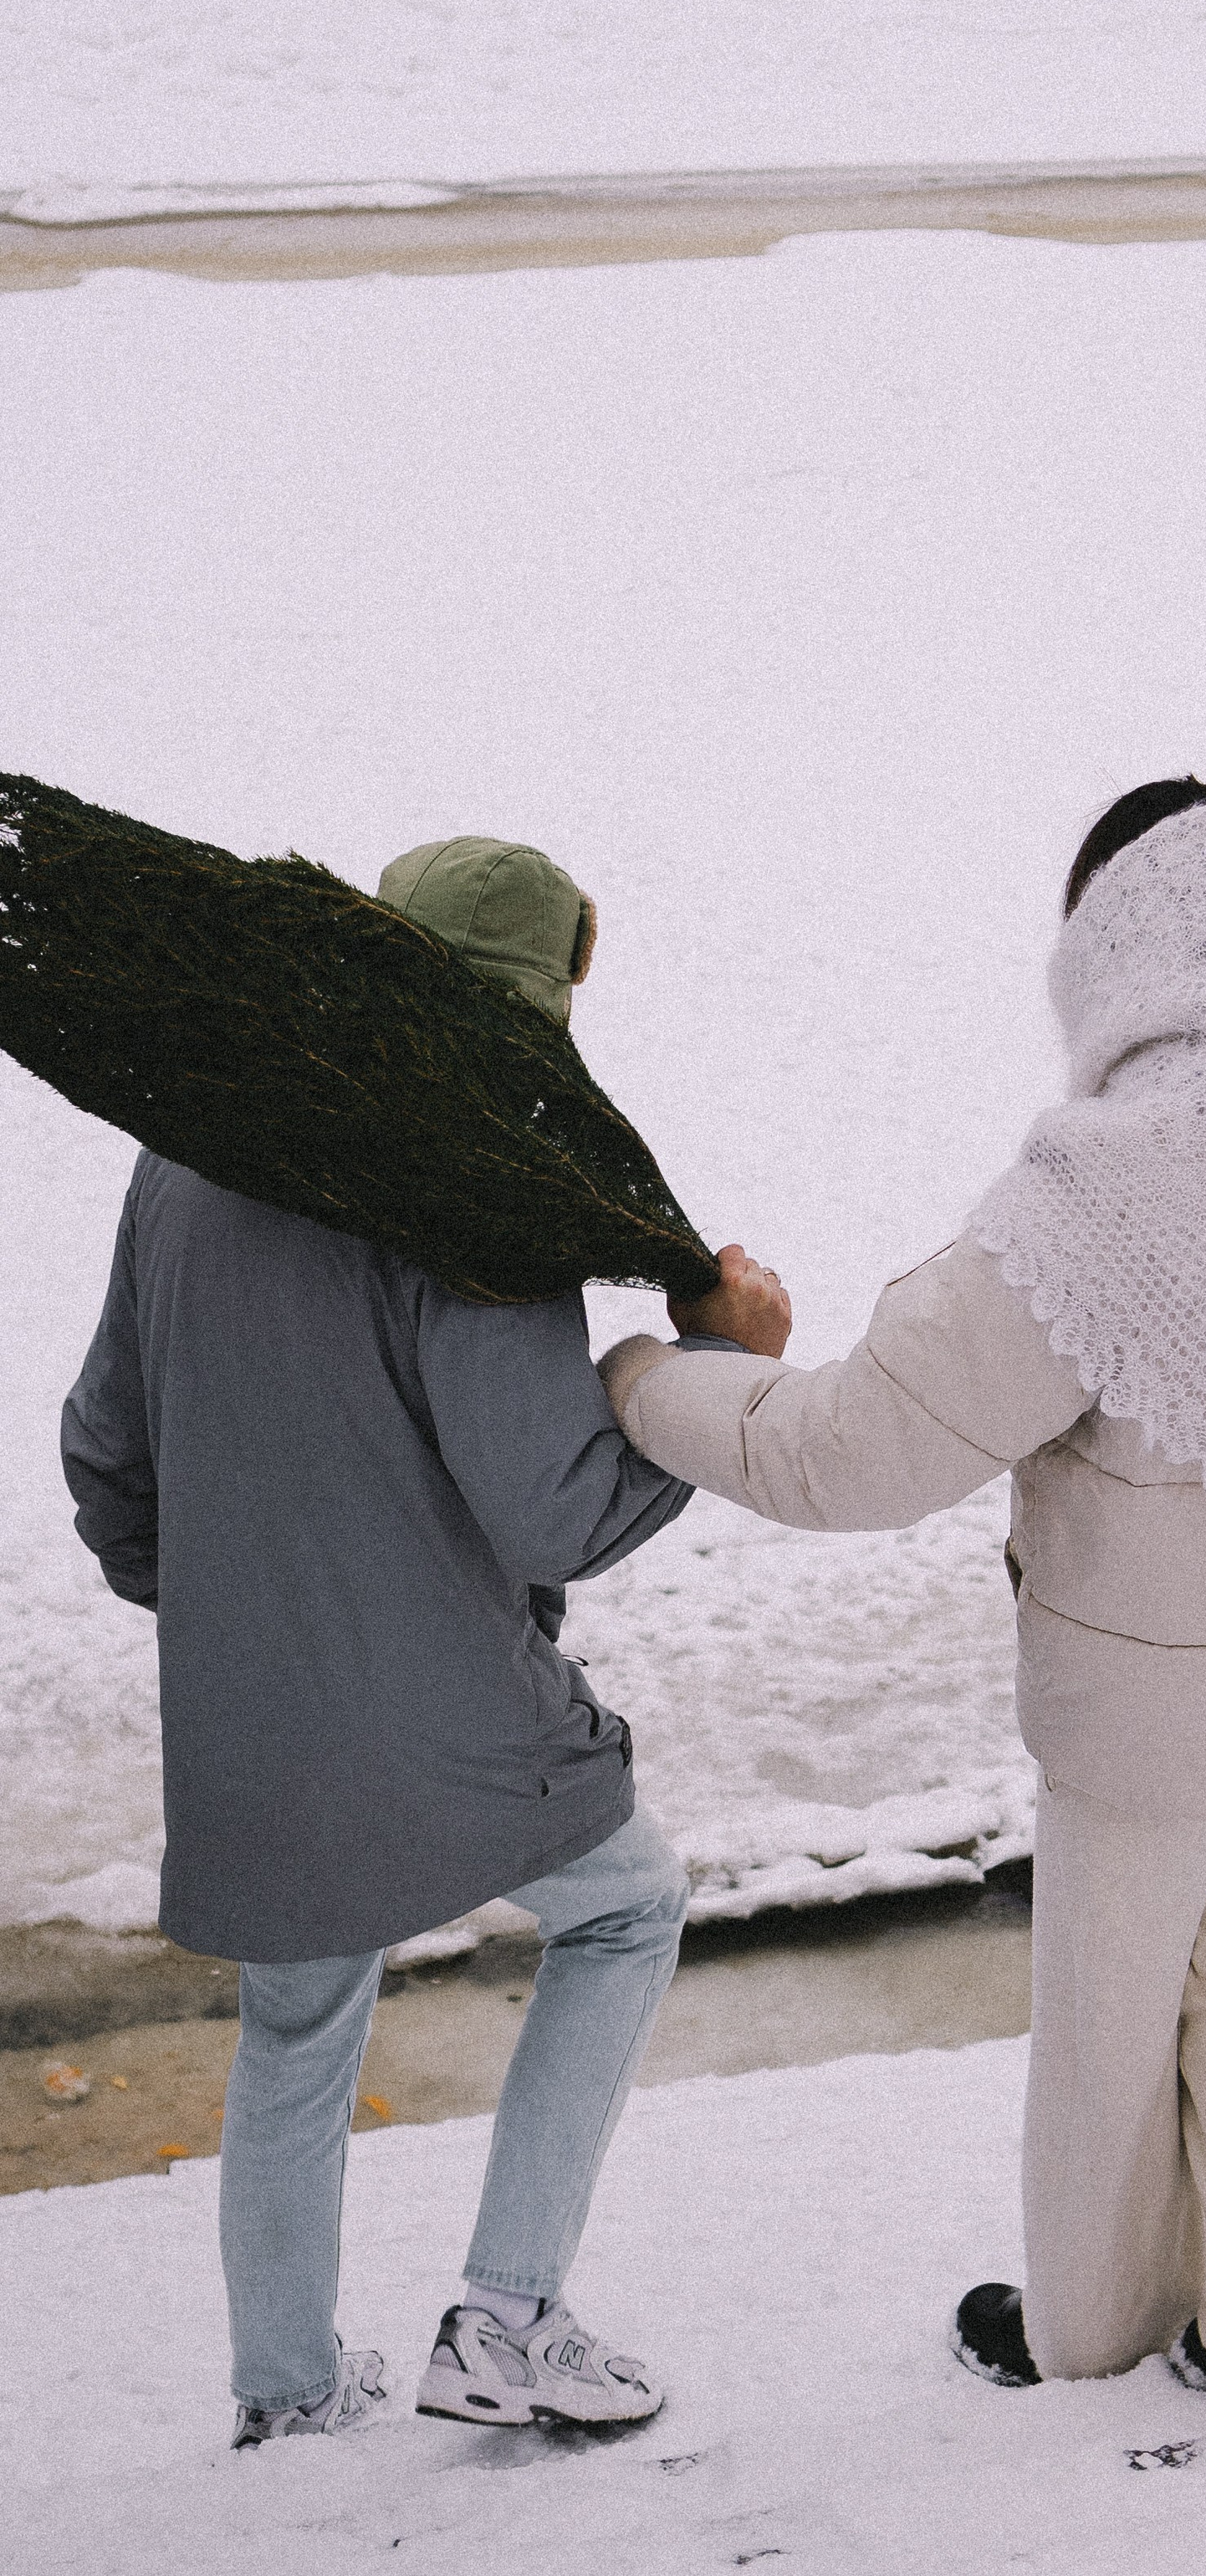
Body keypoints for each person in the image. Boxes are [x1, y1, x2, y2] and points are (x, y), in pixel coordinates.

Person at [600, 782, 1206, 2409]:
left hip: (1149, 1727)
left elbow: (851, 1453)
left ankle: (1097, 2338)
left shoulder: (1100, 1201)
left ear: (1108, 963)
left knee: (1109, 2031)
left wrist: (642, 1379)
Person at [61, 836, 717, 2448]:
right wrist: (707, 1373)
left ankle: (288, 2394)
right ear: (543, 995)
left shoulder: (190, 1151)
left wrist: (236, 1615)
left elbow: (104, 1454)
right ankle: (506, 2319)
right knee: (629, 1910)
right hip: (450, 1715)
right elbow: (555, 1512)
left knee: (298, 2020)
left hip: (248, 1712)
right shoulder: (474, 1177)